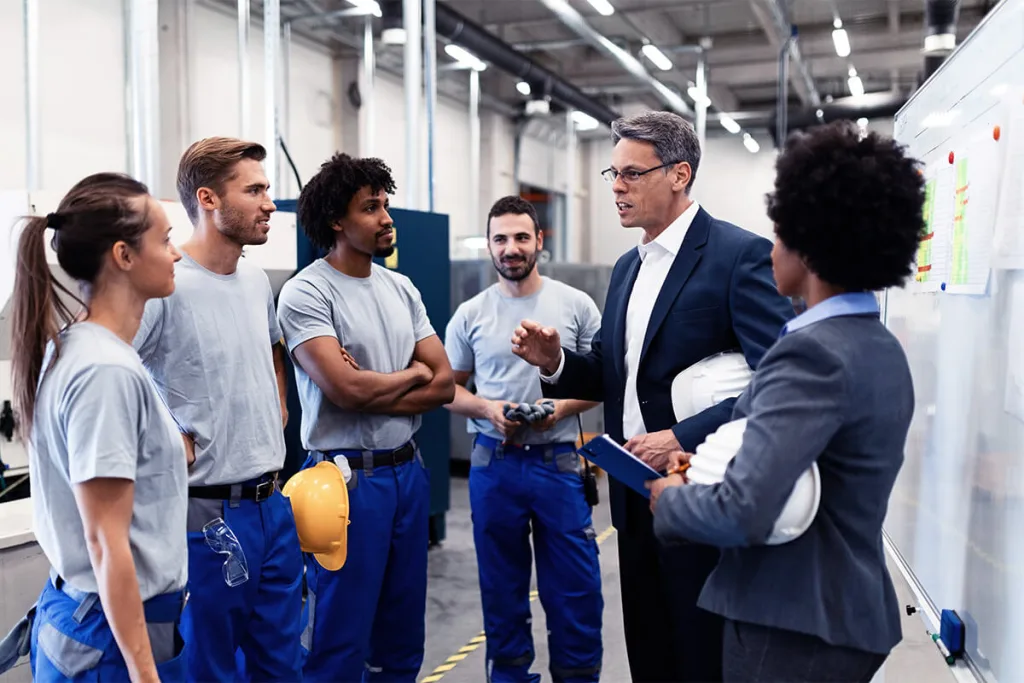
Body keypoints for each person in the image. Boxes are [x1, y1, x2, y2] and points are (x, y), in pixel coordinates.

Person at [511, 111, 796, 683]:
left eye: (631, 174)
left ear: (679, 174)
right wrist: (558, 363)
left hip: (702, 489)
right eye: (611, 173)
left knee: (701, 651)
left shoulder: (738, 256)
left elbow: (781, 383)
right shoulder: (627, 268)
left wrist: (681, 439)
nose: (616, 187)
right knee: (649, 647)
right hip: (633, 494)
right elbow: (620, 378)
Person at [647, 120, 924, 683]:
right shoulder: (879, 346)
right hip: (840, 614)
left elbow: (745, 510)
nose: (770, 249)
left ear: (811, 243)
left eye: (778, 233)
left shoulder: (811, 356)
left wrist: (669, 498)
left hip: (793, 622)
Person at [277, 152, 456, 682]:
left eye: (385, 204)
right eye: (370, 207)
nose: (386, 218)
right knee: (339, 637)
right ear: (337, 221)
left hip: (407, 473)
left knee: (403, 635)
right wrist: (409, 375)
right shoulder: (307, 292)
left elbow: (444, 381)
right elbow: (345, 389)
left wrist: (377, 384)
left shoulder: (400, 288)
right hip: (345, 485)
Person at [1, 173, 187, 682]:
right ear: (124, 256)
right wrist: (145, 674)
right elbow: (105, 540)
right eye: (165, 240)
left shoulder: (78, 348)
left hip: (100, 618)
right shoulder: (105, 371)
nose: (175, 255)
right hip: (111, 637)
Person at [132, 137, 304, 681]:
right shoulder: (166, 285)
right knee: (209, 669)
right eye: (254, 190)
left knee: (282, 663)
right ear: (207, 199)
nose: (270, 203)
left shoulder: (255, 281)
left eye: (267, 189)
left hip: (272, 506)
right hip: (203, 515)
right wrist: (164, 429)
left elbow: (274, 346)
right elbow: (118, 369)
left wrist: (277, 399)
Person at [444, 196, 604, 683]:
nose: (510, 248)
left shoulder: (575, 305)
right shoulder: (470, 314)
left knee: (575, 591)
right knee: (502, 592)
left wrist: (558, 407)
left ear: (539, 241)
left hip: (558, 464)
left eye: (520, 237)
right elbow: (445, 387)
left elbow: (603, 379)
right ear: (489, 246)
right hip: (495, 465)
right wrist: (487, 409)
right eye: (500, 239)